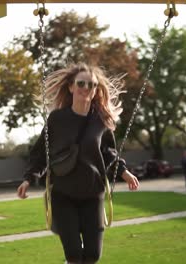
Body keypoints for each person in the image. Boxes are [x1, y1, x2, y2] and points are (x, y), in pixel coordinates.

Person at [17, 63, 140, 264]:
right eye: (81, 83)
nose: (86, 88)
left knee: (92, 256)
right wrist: (28, 179)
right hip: (64, 196)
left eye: (91, 85)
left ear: (96, 90)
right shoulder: (57, 119)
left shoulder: (101, 121)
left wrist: (124, 172)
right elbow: (40, 152)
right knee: (74, 255)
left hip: (93, 195)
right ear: (71, 87)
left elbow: (108, 153)